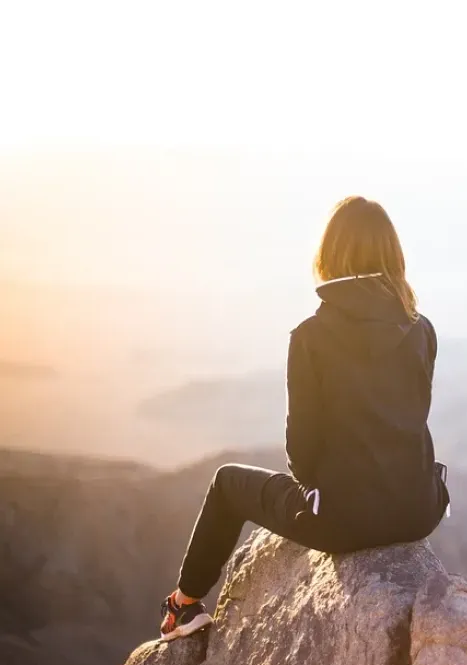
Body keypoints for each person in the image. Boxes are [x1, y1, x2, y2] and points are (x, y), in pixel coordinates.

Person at [159, 195, 451, 641]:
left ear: (329, 256)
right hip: (420, 508)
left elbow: (302, 454)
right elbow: (414, 415)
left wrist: (321, 491)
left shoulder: (312, 337)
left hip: (344, 521)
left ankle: (184, 605)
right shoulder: (422, 328)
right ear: (394, 255)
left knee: (226, 483)